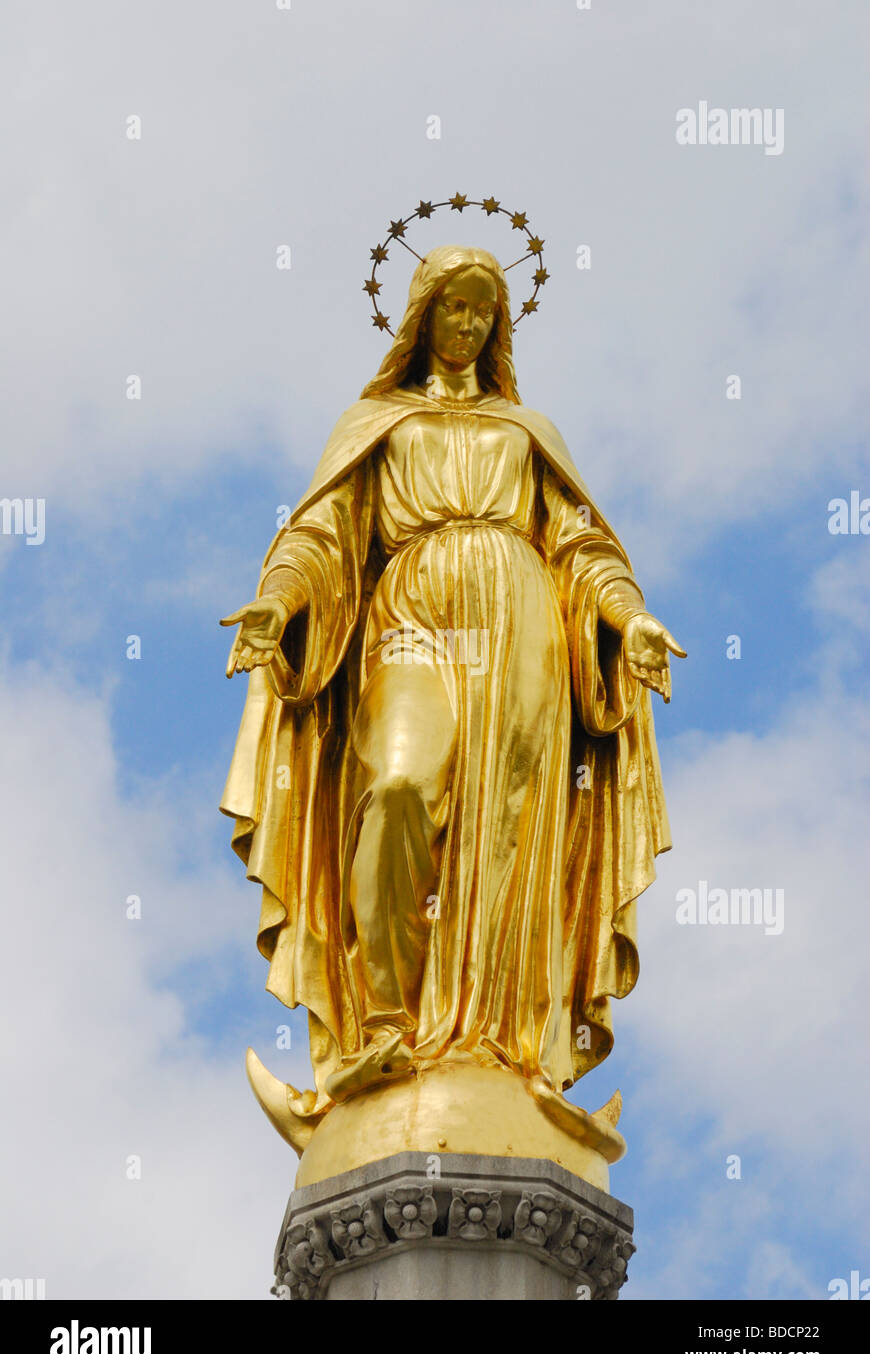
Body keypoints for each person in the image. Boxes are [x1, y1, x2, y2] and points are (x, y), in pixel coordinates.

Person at [221, 244, 684, 1138]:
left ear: (498, 326)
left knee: (508, 836)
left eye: (483, 312)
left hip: (523, 627)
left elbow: (581, 547)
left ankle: (510, 1047)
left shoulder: (528, 434)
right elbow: (321, 533)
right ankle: (385, 1021)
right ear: (422, 317)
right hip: (412, 615)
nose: (467, 326)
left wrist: (631, 620)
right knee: (395, 789)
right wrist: (276, 606)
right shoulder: (376, 423)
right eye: (453, 309)